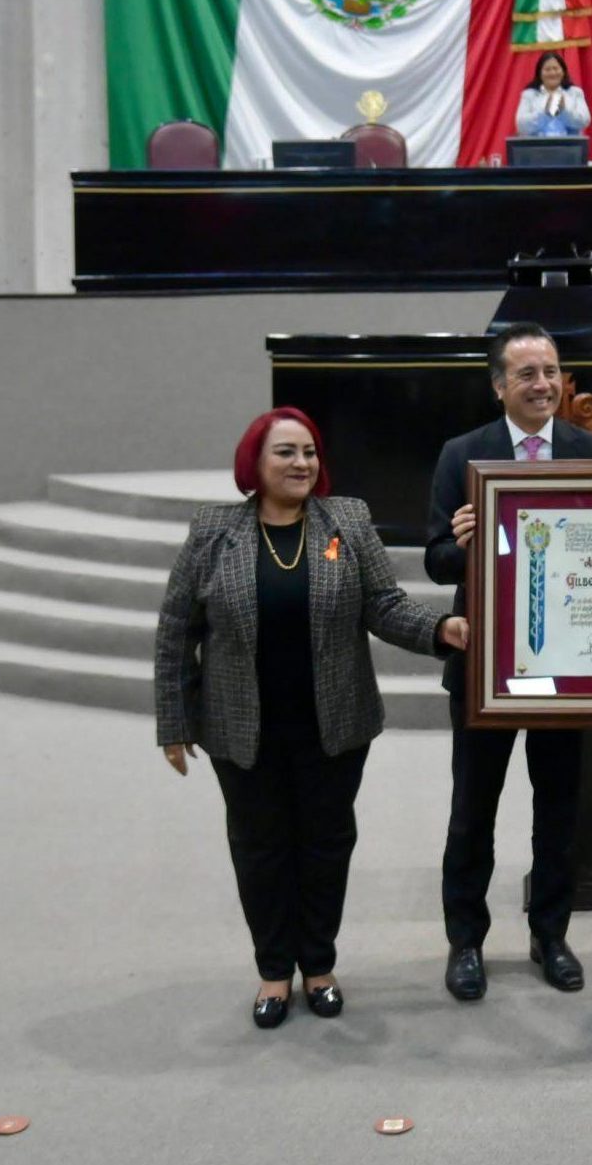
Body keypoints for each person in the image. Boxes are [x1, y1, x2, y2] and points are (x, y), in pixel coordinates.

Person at [155, 407, 467, 1030]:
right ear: (255, 463)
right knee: (260, 848)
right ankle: (274, 970)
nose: (302, 464)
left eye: (310, 453)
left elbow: (383, 604)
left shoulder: (345, 520)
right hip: (242, 727)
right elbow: (176, 631)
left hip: (334, 723)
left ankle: (319, 965)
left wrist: (439, 628)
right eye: (285, 453)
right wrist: (174, 722)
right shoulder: (215, 530)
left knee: (327, 846)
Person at [425, 322, 592, 1001]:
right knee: (473, 807)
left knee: (559, 805)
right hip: (484, 660)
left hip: (567, 661)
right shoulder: (463, 453)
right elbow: (434, 559)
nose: (541, 384)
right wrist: (461, 538)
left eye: (551, 371)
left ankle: (550, 933)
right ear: (499, 384)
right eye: (526, 373)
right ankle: (466, 942)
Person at [515, 51, 592, 139]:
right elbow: (521, 125)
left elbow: (584, 121)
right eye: (547, 69)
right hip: (537, 148)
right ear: (540, 73)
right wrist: (545, 113)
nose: (552, 73)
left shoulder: (575, 92)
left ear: (563, 72)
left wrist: (564, 112)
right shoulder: (529, 95)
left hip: (570, 148)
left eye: (556, 68)